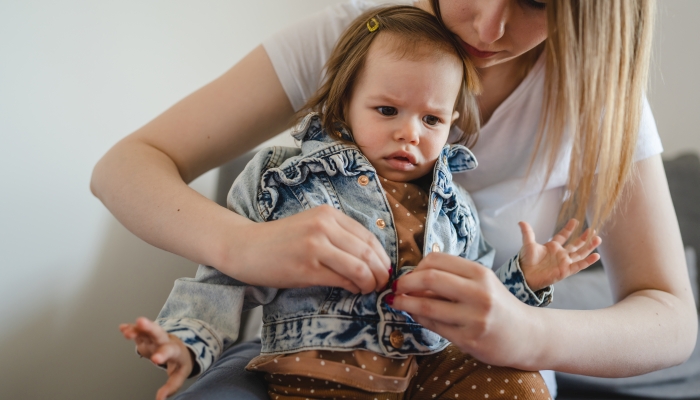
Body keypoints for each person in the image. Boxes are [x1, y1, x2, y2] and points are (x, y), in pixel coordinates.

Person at [91, 0, 697, 399]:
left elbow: (671, 320)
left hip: (472, 371)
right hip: (315, 357)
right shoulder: (356, 38)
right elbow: (124, 167)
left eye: (536, 1)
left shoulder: (599, 98)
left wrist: (526, 331)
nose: (488, 27)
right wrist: (242, 245)